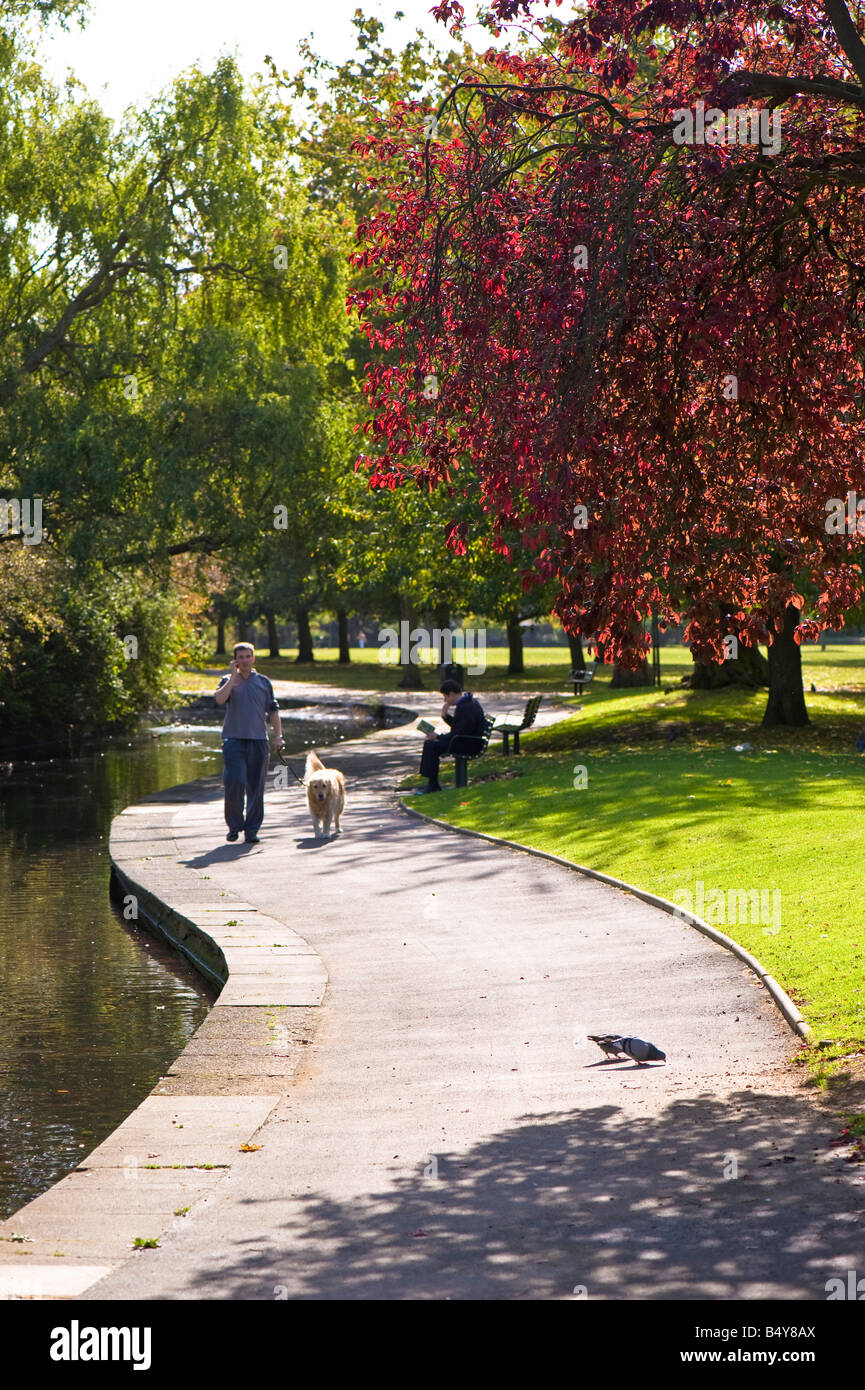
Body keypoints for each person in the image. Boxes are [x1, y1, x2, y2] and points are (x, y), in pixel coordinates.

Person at [214, 643, 284, 843]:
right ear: (235, 660)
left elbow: (273, 710)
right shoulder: (227, 681)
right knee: (234, 782)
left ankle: (252, 829)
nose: (244, 660)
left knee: (256, 787)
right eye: (240, 657)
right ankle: (234, 826)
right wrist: (233, 676)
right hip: (233, 740)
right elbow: (219, 700)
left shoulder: (263, 682)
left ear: (253, 658)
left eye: (247, 656)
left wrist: (279, 736)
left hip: (258, 741)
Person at [417, 679, 486, 794]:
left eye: (445, 696)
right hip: (467, 740)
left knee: (430, 745)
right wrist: (446, 717)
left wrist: (438, 737)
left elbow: (459, 733)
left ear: (452, 694)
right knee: (431, 744)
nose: (445, 700)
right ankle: (431, 783)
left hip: (469, 744)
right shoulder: (468, 703)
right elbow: (461, 727)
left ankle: (432, 784)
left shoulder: (466, 707)